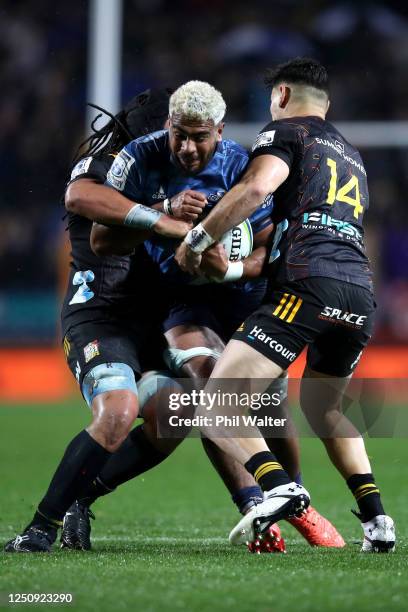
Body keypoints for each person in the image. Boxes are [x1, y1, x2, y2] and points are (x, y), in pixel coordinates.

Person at [72, 80, 343, 552]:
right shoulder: (141, 158)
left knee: (267, 406)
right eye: (180, 134)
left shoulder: (242, 165)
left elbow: (268, 253)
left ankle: (297, 499)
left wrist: (229, 266)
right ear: (167, 125)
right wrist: (161, 212)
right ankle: (257, 503)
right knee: (209, 385)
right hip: (182, 301)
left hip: (244, 296)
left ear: (219, 131)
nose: (189, 147)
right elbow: (101, 240)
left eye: (201, 137)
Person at [176, 58, 395, 553]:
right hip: (358, 289)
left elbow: (256, 189)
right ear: (327, 103)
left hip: (307, 284)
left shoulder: (286, 134)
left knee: (217, 400)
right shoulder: (353, 154)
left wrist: (197, 238)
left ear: (279, 96)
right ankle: (378, 521)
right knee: (325, 408)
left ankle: (280, 486)